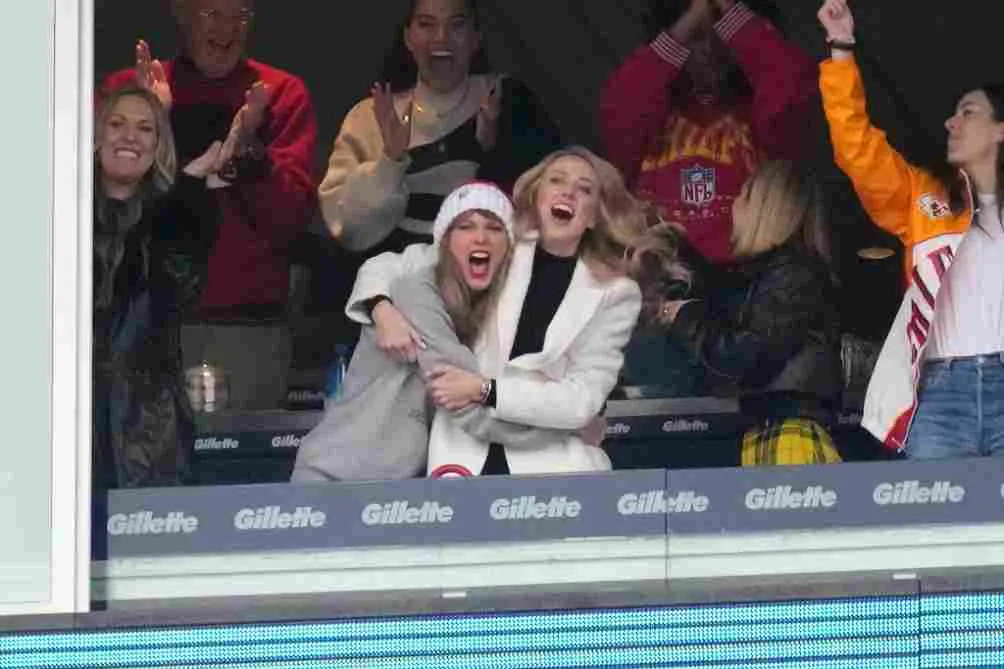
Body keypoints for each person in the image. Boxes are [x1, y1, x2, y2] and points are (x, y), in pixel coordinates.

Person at [344, 147, 668, 477]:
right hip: (461, 452)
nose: (568, 191)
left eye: (584, 189)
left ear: (595, 216)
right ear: (536, 197)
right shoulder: (499, 244)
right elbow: (392, 266)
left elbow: (581, 401)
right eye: (556, 181)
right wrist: (381, 309)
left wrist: (486, 389)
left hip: (553, 462)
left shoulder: (616, 294)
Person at [818, 0, 1004, 459]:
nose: (950, 122)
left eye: (968, 112)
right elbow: (857, 149)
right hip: (941, 394)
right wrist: (841, 48)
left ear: (1000, 130)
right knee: (937, 524)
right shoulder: (923, 197)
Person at [292, 182, 569, 482]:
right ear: (444, 243)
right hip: (337, 480)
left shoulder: (500, 310)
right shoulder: (418, 287)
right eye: (465, 226)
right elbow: (469, 406)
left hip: (407, 490)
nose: (480, 237)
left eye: (494, 228)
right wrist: (380, 306)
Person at [101, 0, 318, 316]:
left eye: (240, 16)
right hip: (133, 308)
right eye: (212, 13)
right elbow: (93, 207)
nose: (227, 30)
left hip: (245, 315)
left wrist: (250, 157)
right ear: (180, 12)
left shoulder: (280, 93)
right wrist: (150, 121)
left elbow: (293, 219)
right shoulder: (128, 90)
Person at [319, 0, 562, 255]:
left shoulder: (508, 100)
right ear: (408, 37)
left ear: (476, 37)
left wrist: (494, 148)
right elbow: (346, 228)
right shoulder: (369, 116)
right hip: (389, 282)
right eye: (426, 24)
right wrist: (390, 160)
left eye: (456, 25)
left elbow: (549, 203)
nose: (441, 38)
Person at [599, 0, 817, 265]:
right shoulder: (648, 109)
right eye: (696, 36)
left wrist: (727, 7)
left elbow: (789, 84)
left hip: (746, 280)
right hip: (657, 280)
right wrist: (689, 20)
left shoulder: (764, 110)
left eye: (723, 34)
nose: (709, 49)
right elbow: (620, 103)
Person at [656, 160, 842, 466]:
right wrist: (676, 244)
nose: (734, 206)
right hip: (772, 430)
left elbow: (747, 352)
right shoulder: (778, 274)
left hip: (789, 434)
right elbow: (724, 295)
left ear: (768, 208)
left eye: (744, 196)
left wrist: (684, 316)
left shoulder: (795, 274)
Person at [92, 86, 223, 488]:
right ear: (97, 137)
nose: (129, 136)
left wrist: (188, 187)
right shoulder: (58, 206)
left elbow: (175, 294)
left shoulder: (177, 217)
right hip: (62, 411)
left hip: (145, 427)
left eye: (145, 128)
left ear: (158, 145)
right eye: (117, 124)